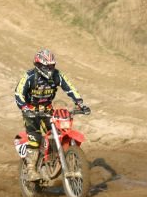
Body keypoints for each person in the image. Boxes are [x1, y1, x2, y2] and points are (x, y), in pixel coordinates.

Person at [14, 49, 90, 181]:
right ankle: (31, 170)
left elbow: (70, 87)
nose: (50, 69)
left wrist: (80, 103)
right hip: (31, 111)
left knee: (58, 133)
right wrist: (25, 108)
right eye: (47, 66)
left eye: (52, 66)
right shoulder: (29, 76)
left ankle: (55, 159)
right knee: (35, 138)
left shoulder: (57, 75)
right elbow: (18, 93)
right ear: (39, 65)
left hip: (48, 110)